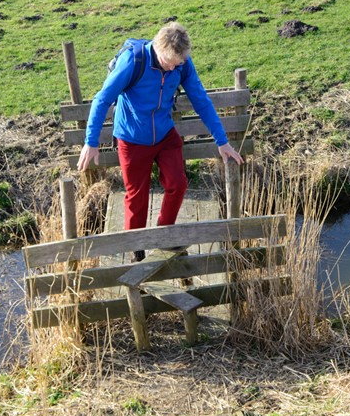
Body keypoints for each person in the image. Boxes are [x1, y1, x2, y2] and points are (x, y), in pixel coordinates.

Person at [77, 22, 244, 259]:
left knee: (178, 182)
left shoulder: (181, 64)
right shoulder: (134, 62)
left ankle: (164, 234)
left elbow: (201, 101)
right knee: (137, 197)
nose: (173, 68)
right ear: (157, 49)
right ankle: (136, 248)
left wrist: (222, 141)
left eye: (179, 63)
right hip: (132, 137)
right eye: (170, 63)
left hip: (165, 134)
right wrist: (91, 141)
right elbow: (102, 99)